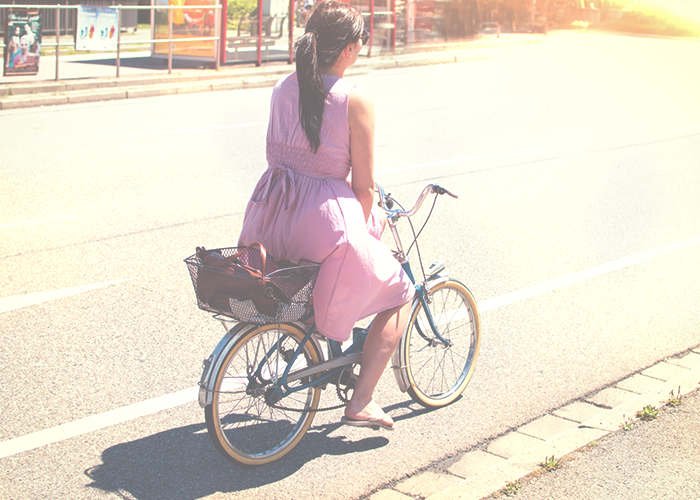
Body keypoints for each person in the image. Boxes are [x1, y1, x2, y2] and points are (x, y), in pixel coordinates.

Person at [238, 0, 414, 431]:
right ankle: (362, 401)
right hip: (325, 224)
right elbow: (364, 187)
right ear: (350, 48)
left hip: (270, 214)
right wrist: (371, 231)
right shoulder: (354, 99)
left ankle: (323, 340)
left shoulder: (283, 87)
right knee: (398, 290)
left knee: (313, 278)